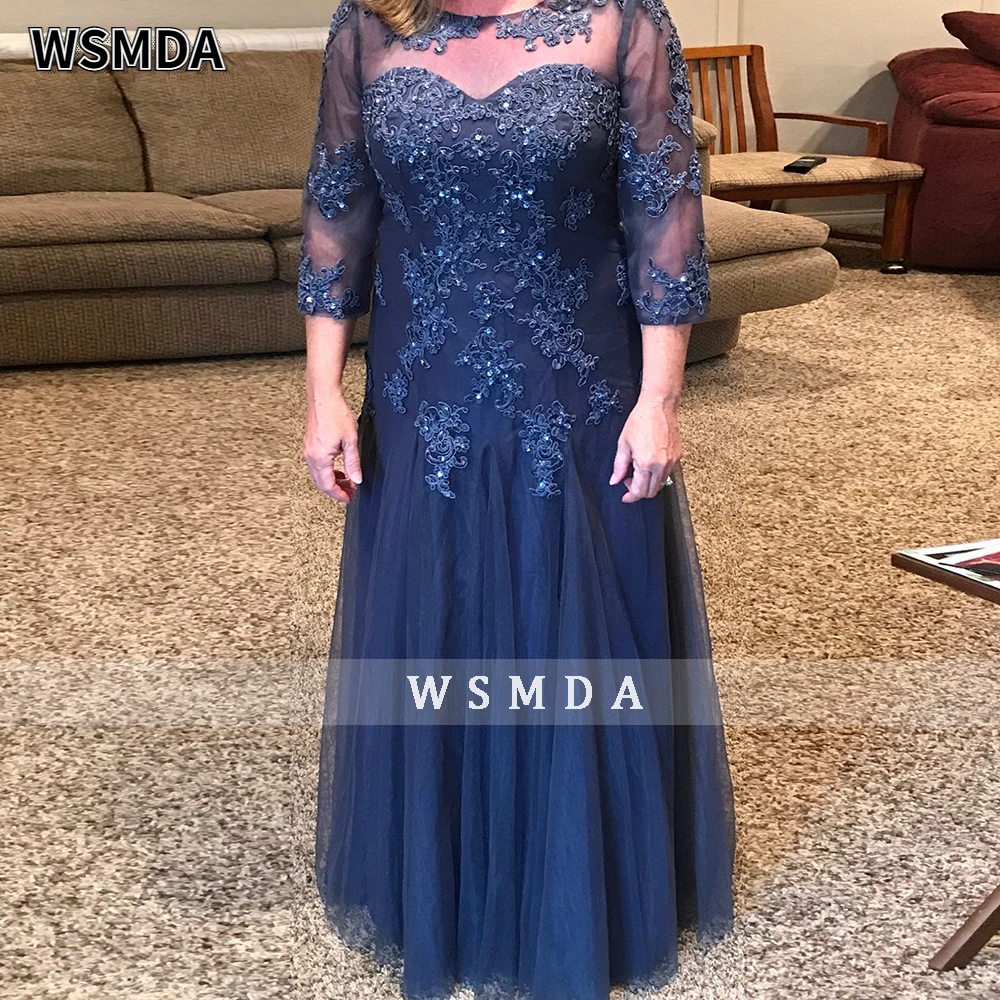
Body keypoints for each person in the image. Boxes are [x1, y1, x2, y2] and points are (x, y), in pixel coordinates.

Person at [299, 0, 736, 996]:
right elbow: (337, 208)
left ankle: (585, 888)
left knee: (575, 623)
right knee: (436, 612)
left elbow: (664, 214)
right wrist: (323, 391)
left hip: (577, 382)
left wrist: (660, 401)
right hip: (423, 386)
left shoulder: (621, 18)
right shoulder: (368, 23)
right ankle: (443, 883)